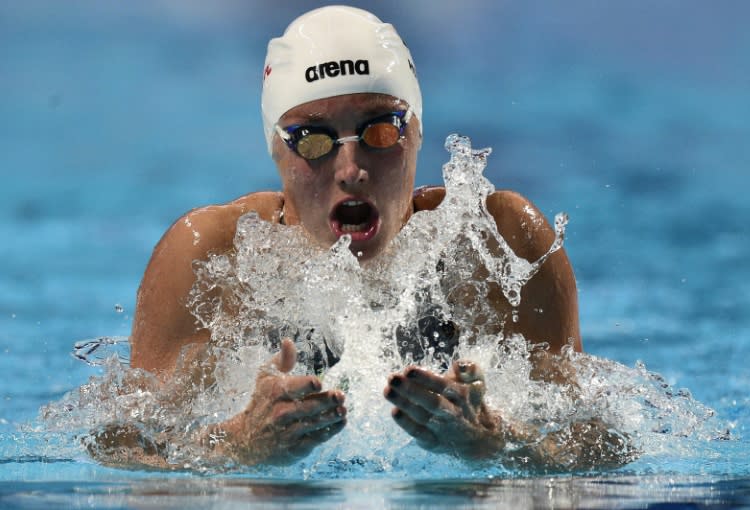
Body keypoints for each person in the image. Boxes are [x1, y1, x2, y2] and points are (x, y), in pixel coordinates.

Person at [116, 6, 629, 470]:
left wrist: (494, 442)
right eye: (312, 140)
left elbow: (599, 449)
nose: (351, 169)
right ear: (276, 150)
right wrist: (237, 444)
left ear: (418, 133)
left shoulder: (497, 245)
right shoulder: (212, 257)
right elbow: (120, 447)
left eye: (381, 130)